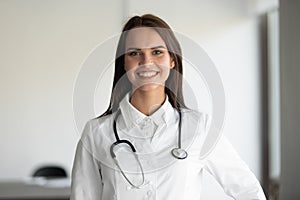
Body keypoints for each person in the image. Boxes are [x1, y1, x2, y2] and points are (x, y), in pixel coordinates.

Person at [70, 14, 266, 200]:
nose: (146, 62)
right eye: (135, 53)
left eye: (157, 52)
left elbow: (248, 190)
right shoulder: (96, 133)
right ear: (124, 64)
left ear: (172, 60)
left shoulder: (199, 128)